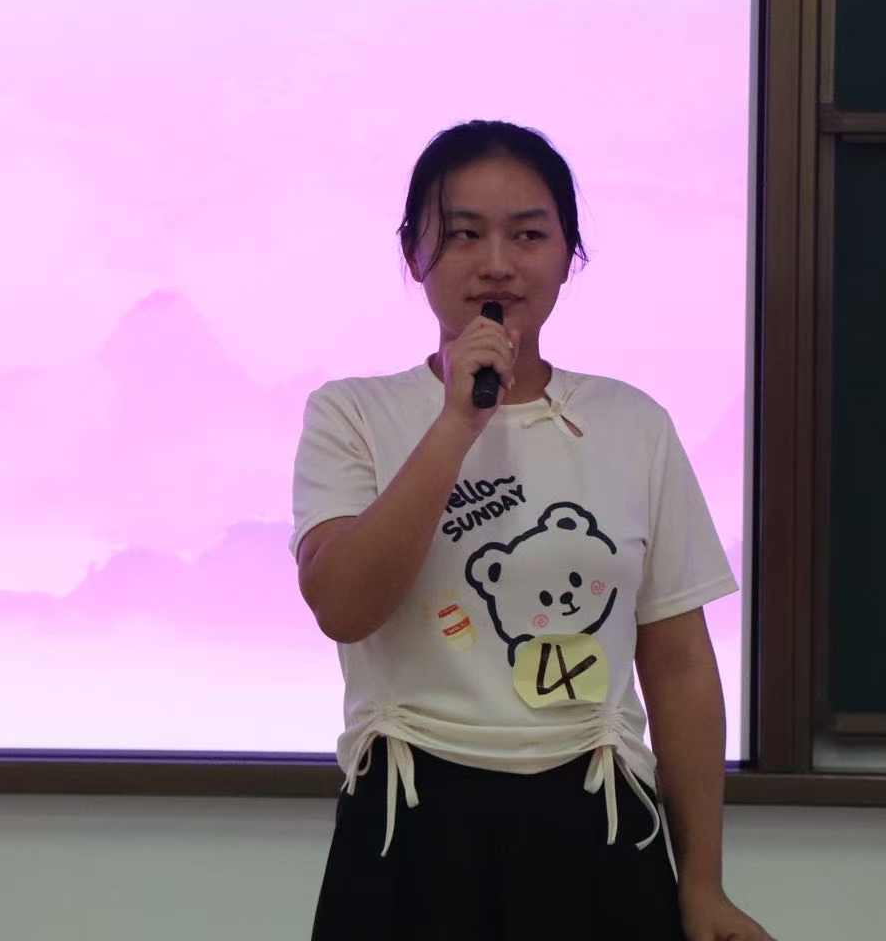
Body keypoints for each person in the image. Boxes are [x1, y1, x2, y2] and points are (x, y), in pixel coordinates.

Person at [290, 120, 774, 941]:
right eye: (463, 234)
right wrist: (457, 423)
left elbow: (680, 665)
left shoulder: (632, 424)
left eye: (528, 234)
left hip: (596, 815)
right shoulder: (354, 414)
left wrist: (703, 882)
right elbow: (342, 604)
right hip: (412, 815)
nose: (497, 263)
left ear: (568, 254)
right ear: (414, 252)